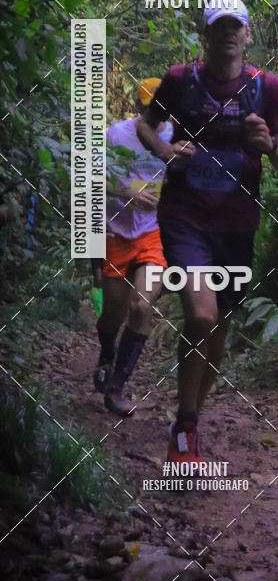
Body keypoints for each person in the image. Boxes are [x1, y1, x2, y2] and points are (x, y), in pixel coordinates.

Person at [136, 0, 278, 464]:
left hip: (238, 225)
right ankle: (185, 429)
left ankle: (189, 421)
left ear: (248, 35)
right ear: (205, 34)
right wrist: (167, 154)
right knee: (201, 315)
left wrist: (267, 144)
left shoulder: (267, 88)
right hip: (185, 216)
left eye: (236, 26)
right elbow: (147, 126)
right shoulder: (181, 79)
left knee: (219, 331)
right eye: (218, 26)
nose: (228, 33)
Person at [94, 78, 173, 416]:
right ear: (140, 105)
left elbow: (186, 177)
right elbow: (93, 180)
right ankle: (107, 351)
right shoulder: (116, 134)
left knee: (141, 307)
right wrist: (126, 193)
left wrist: (167, 188)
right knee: (113, 311)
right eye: (148, 104)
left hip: (154, 233)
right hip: (116, 232)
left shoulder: (174, 135)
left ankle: (117, 388)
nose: (154, 112)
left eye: (160, 106)